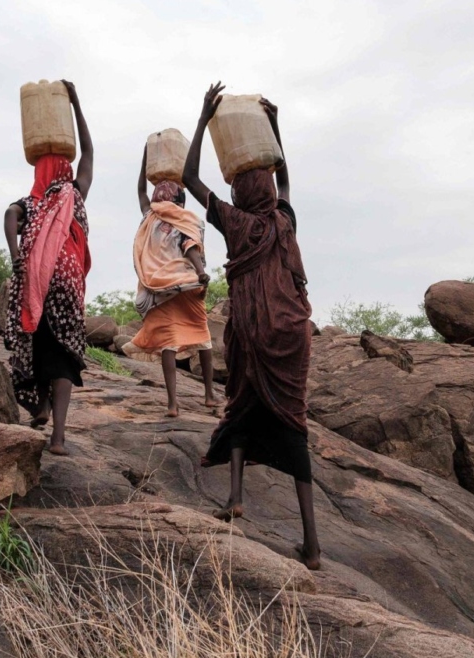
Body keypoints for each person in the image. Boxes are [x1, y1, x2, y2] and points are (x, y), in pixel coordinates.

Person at [181, 82, 321, 571]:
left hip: (249, 332)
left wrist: (202, 117)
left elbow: (189, 176)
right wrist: (275, 125)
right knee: (293, 423)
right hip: (291, 335)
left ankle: (236, 497)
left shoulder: (234, 222)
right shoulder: (284, 220)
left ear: (240, 190)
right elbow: (285, 186)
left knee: (240, 404)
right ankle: (312, 543)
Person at [3, 79, 93, 456]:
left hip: (35, 283)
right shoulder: (74, 193)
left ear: (38, 173)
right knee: (64, 356)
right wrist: (75, 103)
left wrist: (16, 254)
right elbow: (88, 152)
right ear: (65, 170)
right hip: (67, 288)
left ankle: (38, 406)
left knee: (37, 343)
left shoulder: (32, 201)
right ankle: (58, 436)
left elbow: (9, 214)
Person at [123, 145, 219, 415]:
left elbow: (140, 191)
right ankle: (210, 395)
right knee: (202, 337)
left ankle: (173, 403)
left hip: (158, 287)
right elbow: (190, 246)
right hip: (186, 283)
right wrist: (200, 272)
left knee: (169, 343)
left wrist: (144, 158)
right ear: (180, 200)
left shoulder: (149, 216)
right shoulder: (185, 218)